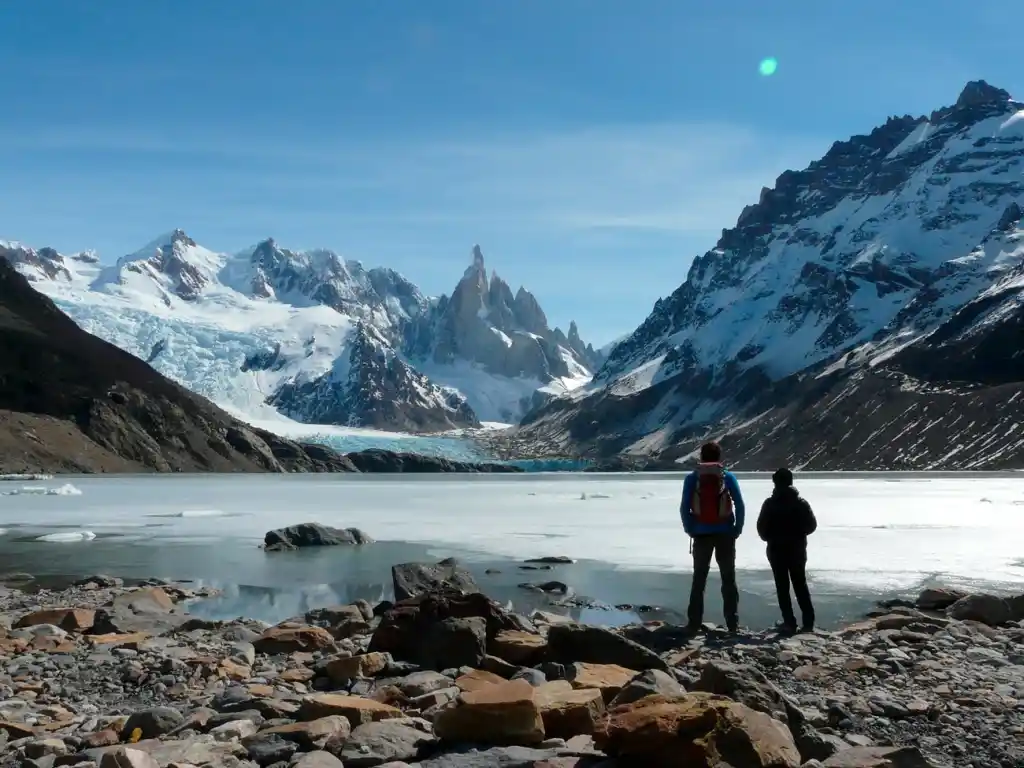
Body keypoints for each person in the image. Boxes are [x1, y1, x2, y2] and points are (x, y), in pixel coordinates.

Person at [680, 441, 745, 632]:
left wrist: (690, 528)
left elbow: (684, 507)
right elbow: (740, 505)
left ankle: (694, 622)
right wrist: (736, 529)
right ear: (719, 457)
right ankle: (732, 623)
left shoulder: (692, 478)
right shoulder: (727, 477)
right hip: (725, 534)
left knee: (699, 579)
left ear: (701, 457)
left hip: (701, 534)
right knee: (728, 579)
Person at [756, 467, 817, 633]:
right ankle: (808, 623)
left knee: (782, 586)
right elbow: (812, 525)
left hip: (776, 550)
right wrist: (799, 534)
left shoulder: (769, 504)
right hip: (797, 549)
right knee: (800, 584)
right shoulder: (800, 503)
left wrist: (772, 537)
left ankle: (789, 622)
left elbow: (761, 530)